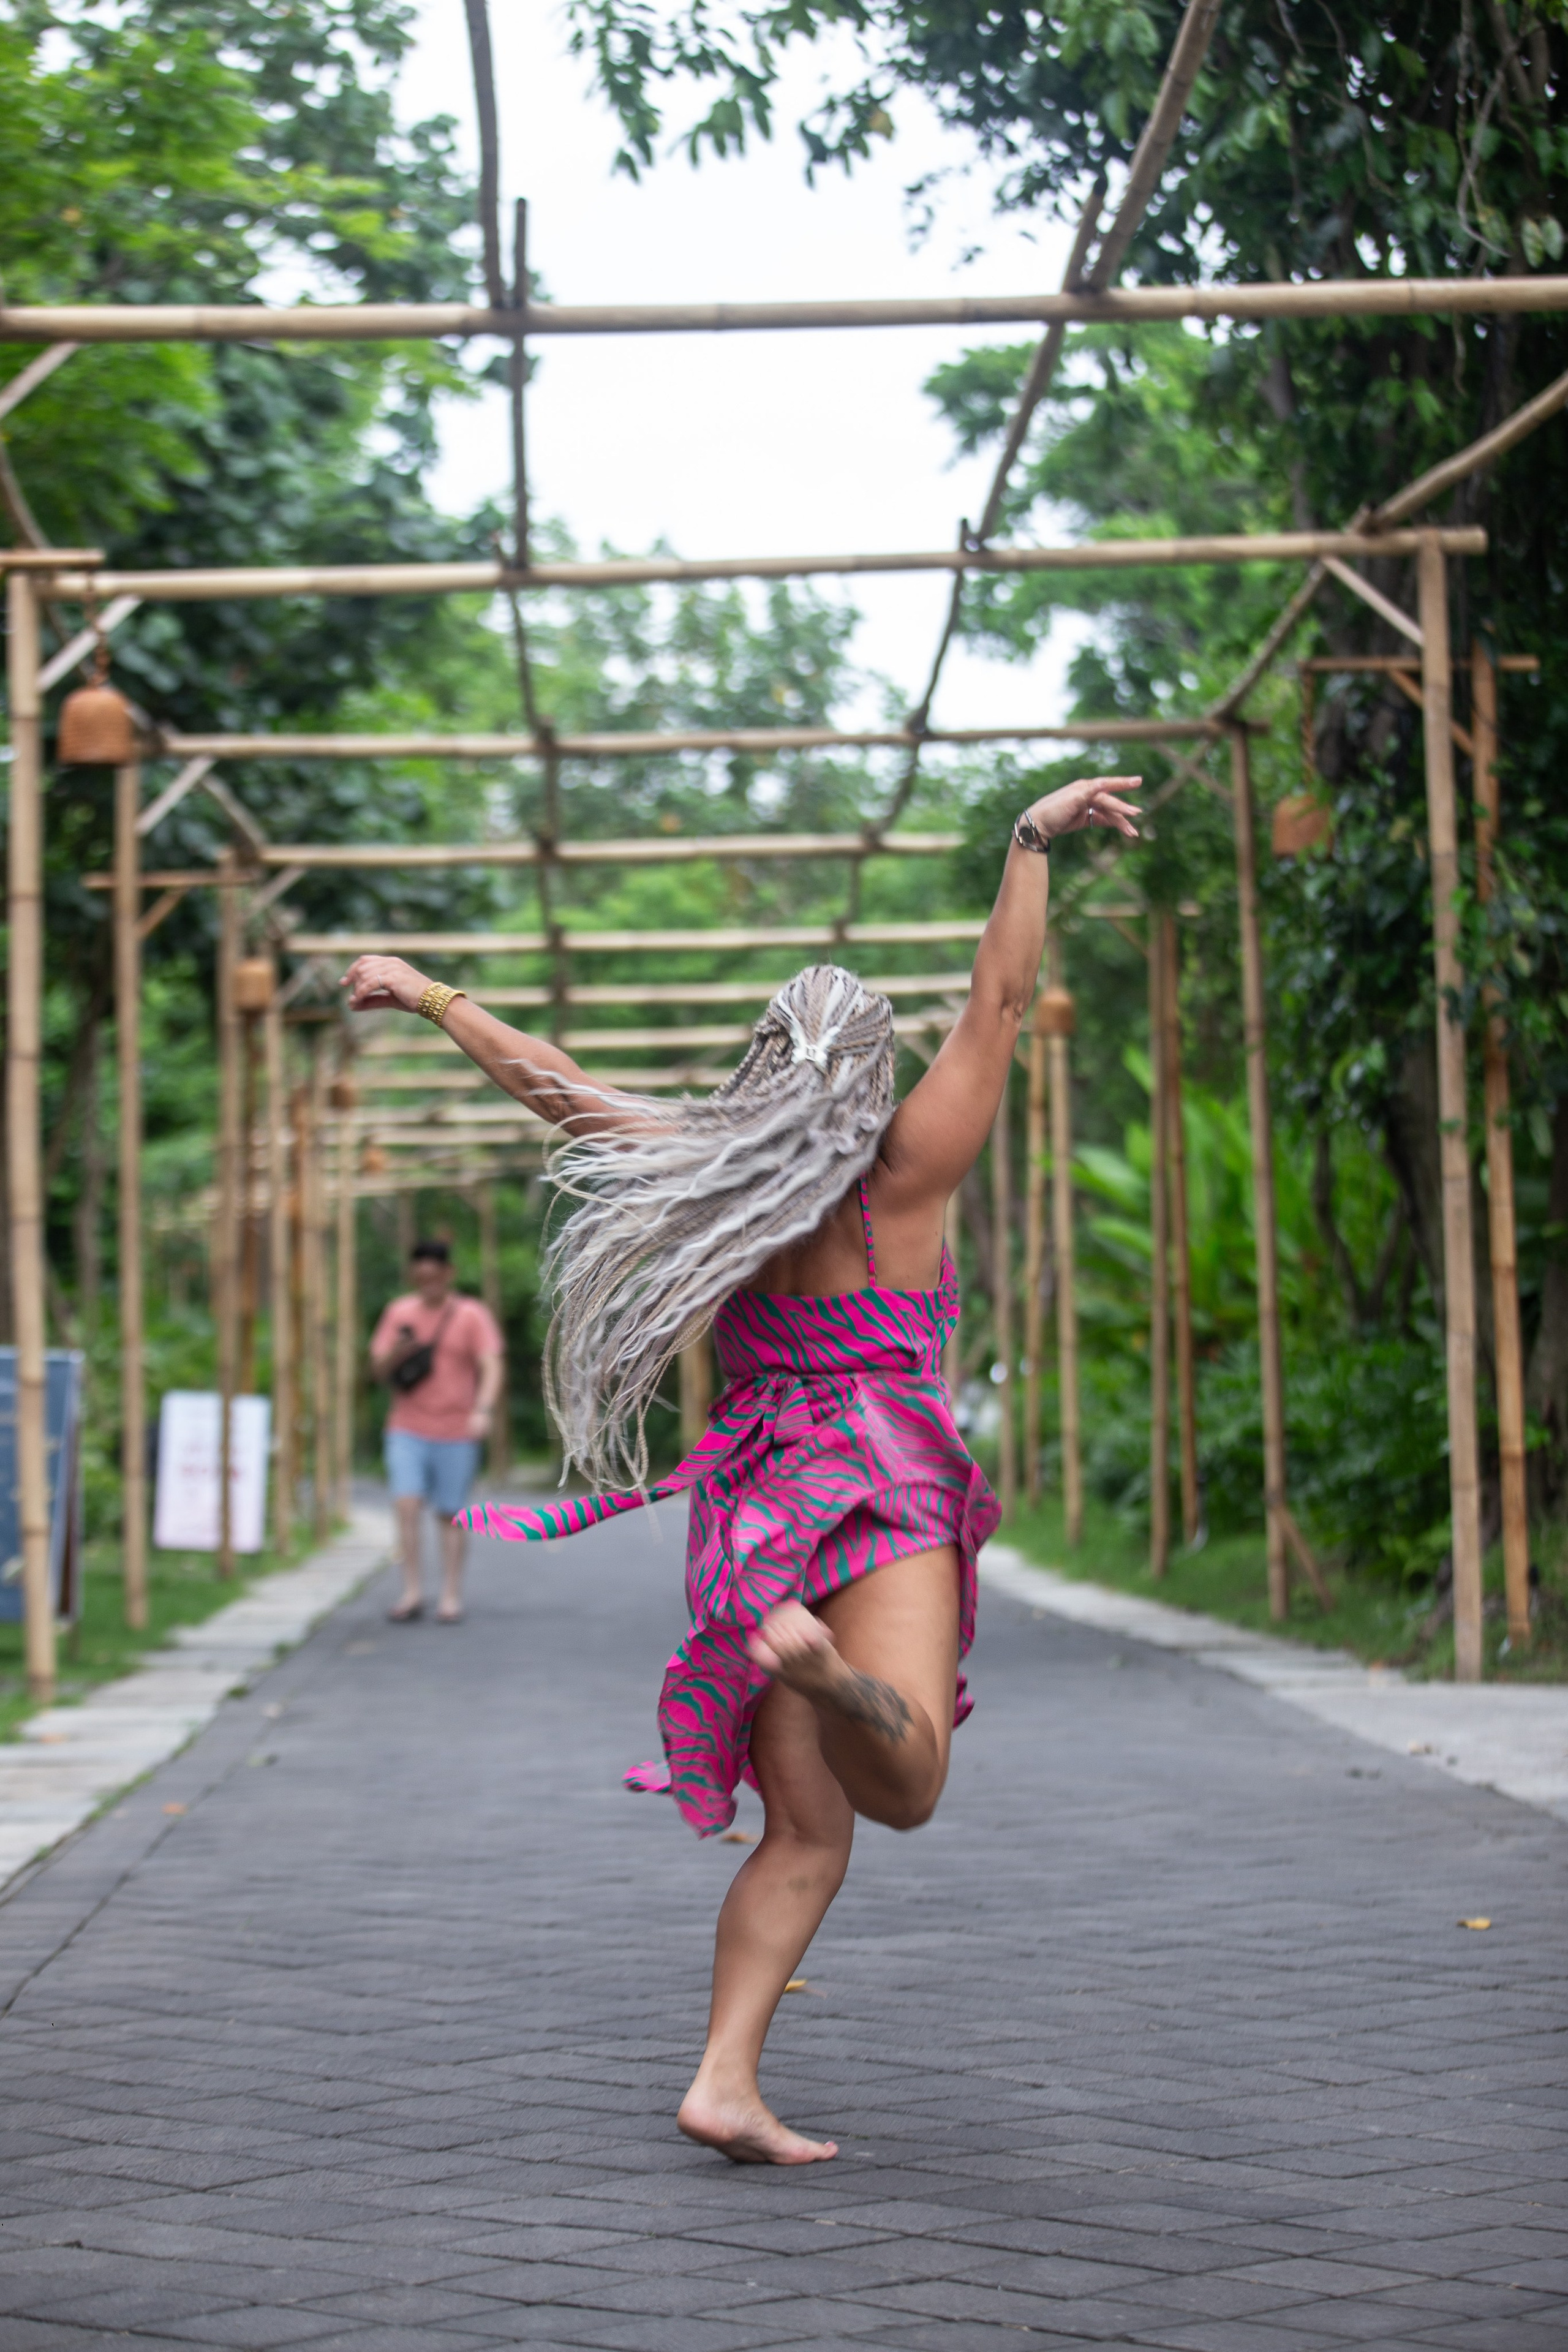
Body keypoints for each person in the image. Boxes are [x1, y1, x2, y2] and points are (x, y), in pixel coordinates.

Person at [342, 772, 1140, 2160]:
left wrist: (428, 995)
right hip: (881, 1479)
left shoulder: (713, 1169)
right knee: (905, 1787)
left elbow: (557, 1089)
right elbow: (997, 1003)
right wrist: (1026, 836)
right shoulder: (907, 1166)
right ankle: (833, 1678)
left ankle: (724, 2075)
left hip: (758, 1503)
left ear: (762, 1059)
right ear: (874, 1066)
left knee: (801, 1831)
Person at [369, 1238, 504, 1625]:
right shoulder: (398, 1313)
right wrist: (399, 1350)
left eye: (435, 1276)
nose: (428, 1283)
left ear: (449, 1274)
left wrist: (484, 1409)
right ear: (413, 1275)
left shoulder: (471, 1315)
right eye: (421, 1276)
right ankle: (411, 1591)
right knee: (406, 1505)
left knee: (451, 1514)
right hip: (407, 1427)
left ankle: (450, 1594)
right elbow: (377, 1372)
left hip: (457, 1430)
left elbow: (492, 1364)